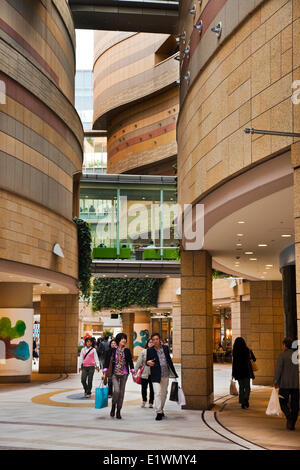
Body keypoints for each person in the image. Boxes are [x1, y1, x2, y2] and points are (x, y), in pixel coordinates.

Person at [102, 333, 135, 419]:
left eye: (125, 339)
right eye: (122, 339)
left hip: (124, 374)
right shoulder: (112, 350)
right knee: (116, 391)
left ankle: (118, 411)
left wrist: (132, 370)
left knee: (121, 393)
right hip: (114, 373)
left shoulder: (127, 350)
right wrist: (104, 373)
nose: (124, 340)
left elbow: (130, 361)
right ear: (118, 340)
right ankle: (113, 406)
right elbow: (106, 362)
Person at [146, 333, 178, 421]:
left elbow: (169, 360)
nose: (155, 341)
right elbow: (147, 361)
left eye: (157, 339)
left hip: (165, 374)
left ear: (160, 339)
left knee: (164, 394)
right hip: (155, 375)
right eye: (153, 340)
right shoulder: (150, 350)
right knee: (158, 393)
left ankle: (161, 409)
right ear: (152, 341)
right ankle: (158, 412)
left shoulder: (165, 348)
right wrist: (147, 362)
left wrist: (174, 372)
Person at [274, 337, 299, 430]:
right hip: (296, 384)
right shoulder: (296, 355)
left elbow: (279, 370)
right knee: (295, 404)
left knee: (282, 402)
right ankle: (292, 422)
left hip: (285, 384)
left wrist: (276, 381)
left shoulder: (282, 355)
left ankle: (289, 417)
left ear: (284, 345)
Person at [232, 337, 256, 409]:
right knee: (247, 387)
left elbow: (234, 363)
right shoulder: (247, 350)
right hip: (246, 371)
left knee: (241, 387)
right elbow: (254, 359)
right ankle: (246, 398)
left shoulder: (235, 351)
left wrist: (233, 373)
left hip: (239, 372)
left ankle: (242, 402)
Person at [134, 338, 154, 408]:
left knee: (152, 389)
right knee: (144, 388)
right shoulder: (144, 351)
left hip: (153, 373)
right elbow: (139, 362)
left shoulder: (156, 351)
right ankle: (144, 400)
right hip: (144, 372)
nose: (151, 343)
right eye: (149, 342)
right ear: (147, 344)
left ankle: (151, 402)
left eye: (152, 342)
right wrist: (135, 372)